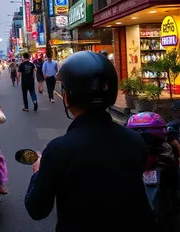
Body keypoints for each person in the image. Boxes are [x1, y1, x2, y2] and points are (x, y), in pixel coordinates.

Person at [24, 51, 156, 231]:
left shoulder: (58, 150)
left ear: (68, 97)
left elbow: (36, 209)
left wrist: (38, 171)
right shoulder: (135, 140)